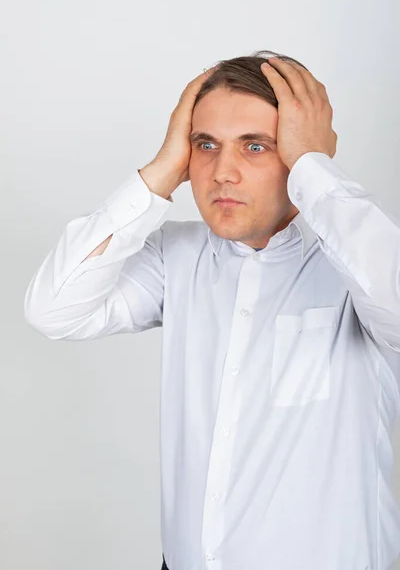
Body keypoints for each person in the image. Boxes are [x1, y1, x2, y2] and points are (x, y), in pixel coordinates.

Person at [24, 49, 400, 570]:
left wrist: (315, 167)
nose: (223, 172)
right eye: (206, 145)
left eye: (255, 146)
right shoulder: (173, 256)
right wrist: (159, 173)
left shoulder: (361, 264)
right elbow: (53, 309)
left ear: (297, 151)